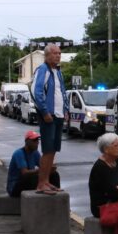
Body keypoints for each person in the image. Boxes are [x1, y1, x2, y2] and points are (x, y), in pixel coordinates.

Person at [32, 44, 69, 193]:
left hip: (59, 115)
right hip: (49, 115)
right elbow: (36, 91)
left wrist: (66, 109)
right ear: (47, 56)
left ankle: (47, 181)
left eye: (59, 53)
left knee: (53, 150)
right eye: (55, 53)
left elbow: (62, 92)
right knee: (47, 150)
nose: (58, 56)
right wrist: (45, 112)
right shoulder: (43, 70)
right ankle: (41, 183)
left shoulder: (58, 72)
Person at [7, 131, 61, 197]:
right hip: (14, 186)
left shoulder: (35, 153)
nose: (37, 143)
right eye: (34, 140)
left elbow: (43, 165)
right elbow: (25, 173)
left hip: (27, 181)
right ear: (27, 141)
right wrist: (39, 170)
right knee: (32, 177)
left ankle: (57, 194)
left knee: (54, 174)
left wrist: (49, 169)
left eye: (37, 140)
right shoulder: (19, 153)